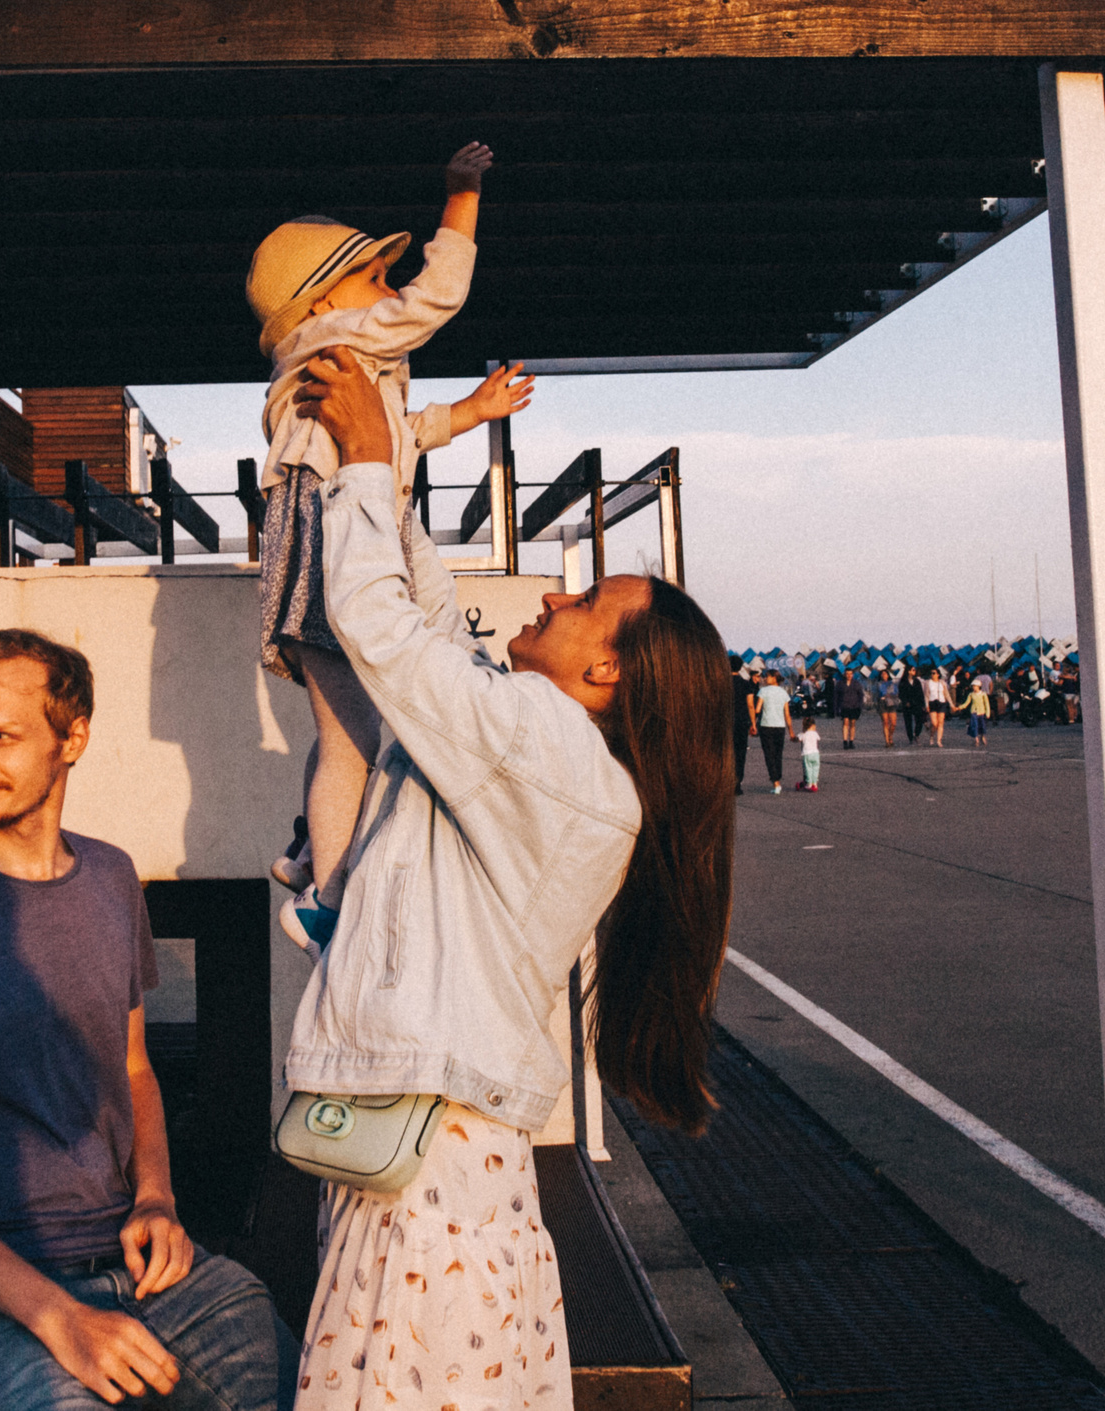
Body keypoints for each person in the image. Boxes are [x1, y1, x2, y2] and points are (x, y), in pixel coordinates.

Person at [285, 347, 737, 1411]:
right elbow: (433, 627)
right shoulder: (551, 757)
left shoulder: (547, 749)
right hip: (438, 1165)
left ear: (606, 673)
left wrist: (361, 458)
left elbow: (383, 630)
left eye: (580, 601)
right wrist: (387, 462)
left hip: (427, 1181)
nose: (548, 592)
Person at [0, 631, 290, 1411]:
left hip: (137, 1266)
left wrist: (157, 1198)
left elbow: (134, 1068)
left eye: (1, 737)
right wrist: (60, 1317)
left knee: (305, 1381)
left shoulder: (111, 877)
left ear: (71, 737)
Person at [250, 141, 533, 955]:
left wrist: (469, 415)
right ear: (316, 304)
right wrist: (460, 198)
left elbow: (395, 440)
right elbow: (434, 297)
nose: (387, 295)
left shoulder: (337, 373)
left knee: (343, 726)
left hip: (336, 529)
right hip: (330, 533)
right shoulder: (332, 344)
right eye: (372, 279)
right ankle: (327, 900)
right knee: (354, 739)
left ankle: (311, 848)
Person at [752, 668, 793, 793]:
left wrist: (752, 722)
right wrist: (791, 731)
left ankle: (776, 783)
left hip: (766, 726)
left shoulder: (763, 691)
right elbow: (787, 714)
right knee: (778, 754)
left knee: (769, 754)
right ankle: (777, 780)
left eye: (767, 676)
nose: (765, 678)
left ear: (774, 678)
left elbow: (757, 709)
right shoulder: (783, 693)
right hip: (780, 727)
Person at [730, 661, 757, 793]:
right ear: (741, 667)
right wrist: (753, 723)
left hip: (726, 722)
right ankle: (737, 782)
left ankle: (726, 782)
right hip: (741, 722)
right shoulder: (745, 684)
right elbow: (750, 704)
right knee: (740, 752)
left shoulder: (722, 683)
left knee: (727, 752)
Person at [959, 676, 993, 747]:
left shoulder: (983, 694)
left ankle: (982, 736)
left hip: (982, 712)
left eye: (975, 686)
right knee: (974, 725)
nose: (974, 688)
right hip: (974, 712)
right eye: (973, 686)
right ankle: (976, 740)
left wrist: (988, 713)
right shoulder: (971, 694)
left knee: (982, 726)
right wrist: (959, 707)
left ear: (979, 686)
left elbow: (987, 704)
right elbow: (966, 703)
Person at [835, 667, 863, 748]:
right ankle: (845, 741)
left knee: (853, 723)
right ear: (845, 674)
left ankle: (851, 741)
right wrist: (836, 707)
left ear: (852, 675)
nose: (849, 675)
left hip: (854, 706)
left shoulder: (857, 683)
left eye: (850, 674)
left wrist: (860, 706)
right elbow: (836, 696)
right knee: (845, 722)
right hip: (844, 706)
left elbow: (860, 695)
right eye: (847, 674)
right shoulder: (840, 684)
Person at [922, 665, 949, 747]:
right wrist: (926, 705)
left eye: (934, 673)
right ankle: (932, 736)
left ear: (938, 674)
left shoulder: (942, 682)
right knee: (934, 723)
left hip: (941, 702)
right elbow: (926, 695)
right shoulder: (927, 682)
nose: (932, 675)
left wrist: (951, 704)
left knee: (941, 723)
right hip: (932, 702)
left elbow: (946, 694)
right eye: (931, 673)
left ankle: (939, 740)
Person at [875, 664, 899, 747]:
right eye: (882, 674)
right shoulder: (879, 684)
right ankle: (887, 741)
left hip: (892, 703)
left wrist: (891, 695)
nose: (884, 675)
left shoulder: (893, 683)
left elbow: (896, 693)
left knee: (893, 723)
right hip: (883, 703)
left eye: (885, 674)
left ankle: (890, 736)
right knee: (885, 722)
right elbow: (878, 694)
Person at [798, 716, 823, 791]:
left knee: (808, 769)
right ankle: (814, 783)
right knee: (815, 768)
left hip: (807, 754)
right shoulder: (815, 733)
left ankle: (809, 783)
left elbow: (799, 738)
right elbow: (819, 738)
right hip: (815, 753)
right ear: (812, 726)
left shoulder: (804, 734)